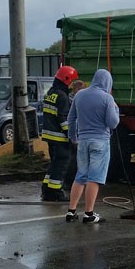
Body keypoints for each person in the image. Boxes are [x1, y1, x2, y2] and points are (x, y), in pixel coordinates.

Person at [65, 69, 119, 223]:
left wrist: (73, 137)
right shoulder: (107, 98)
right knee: (94, 178)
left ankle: (71, 211)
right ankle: (89, 214)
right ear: (107, 82)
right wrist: (115, 108)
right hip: (100, 142)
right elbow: (113, 123)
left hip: (82, 141)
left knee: (81, 175)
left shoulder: (80, 95)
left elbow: (71, 118)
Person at [40, 65, 79, 202]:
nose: (72, 84)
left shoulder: (50, 93)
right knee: (61, 166)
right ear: (66, 79)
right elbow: (63, 119)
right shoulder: (62, 97)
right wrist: (71, 136)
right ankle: (56, 192)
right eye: (72, 81)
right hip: (59, 138)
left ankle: (46, 189)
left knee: (54, 164)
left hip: (50, 137)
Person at [61, 79, 86, 190]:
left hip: (70, 133)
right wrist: (74, 137)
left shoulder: (70, 98)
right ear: (77, 90)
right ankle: (69, 182)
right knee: (73, 159)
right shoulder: (73, 100)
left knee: (72, 159)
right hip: (72, 134)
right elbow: (72, 119)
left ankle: (69, 181)